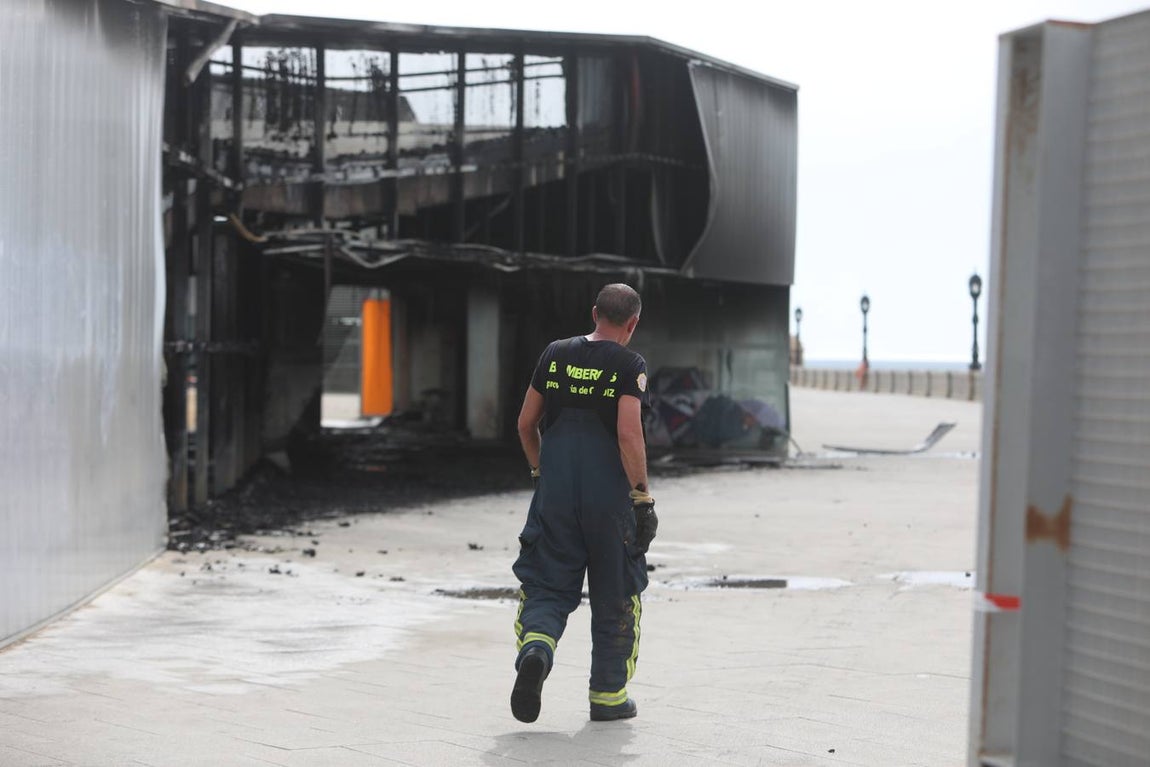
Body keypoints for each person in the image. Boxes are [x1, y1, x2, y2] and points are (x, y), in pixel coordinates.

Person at [510, 283, 658, 724]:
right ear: (632, 323)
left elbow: (524, 424)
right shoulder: (630, 364)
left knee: (548, 586)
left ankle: (536, 650)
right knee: (617, 594)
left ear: (595, 313)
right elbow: (629, 434)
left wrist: (541, 473)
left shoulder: (554, 353)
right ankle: (608, 696)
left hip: (555, 496)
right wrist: (642, 498)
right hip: (609, 504)